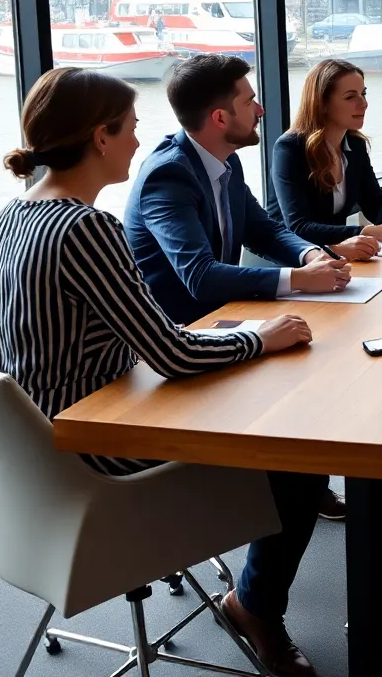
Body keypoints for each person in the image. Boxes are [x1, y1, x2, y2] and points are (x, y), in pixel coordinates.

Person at [0, 68, 326, 677]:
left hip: (37, 465)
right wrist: (261, 338)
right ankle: (254, 607)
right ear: (100, 137)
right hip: (101, 454)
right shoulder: (86, 228)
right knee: (300, 457)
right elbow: (172, 356)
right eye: (129, 128)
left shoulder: (13, 217)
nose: (137, 141)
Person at [124, 54, 350, 523]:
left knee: (319, 355)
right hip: (175, 339)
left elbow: (263, 229)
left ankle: (299, 484)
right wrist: (296, 280)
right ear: (220, 117)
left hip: (219, 319)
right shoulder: (168, 175)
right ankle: (290, 490)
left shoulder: (224, 162)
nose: (262, 110)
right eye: (251, 101)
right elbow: (199, 276)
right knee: (302, 373)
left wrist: (309, 255)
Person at [272, 58, 382, 257]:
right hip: (290, 259)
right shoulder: (290, 148)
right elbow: (299, 227)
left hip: (334, 256)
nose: (364, 104)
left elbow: (375, 202)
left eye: (363, 94)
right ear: (322, 103)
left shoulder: (355, 144)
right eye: (351, 97)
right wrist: (366, 232)